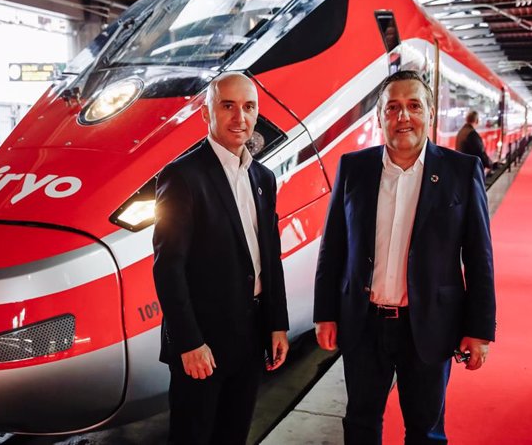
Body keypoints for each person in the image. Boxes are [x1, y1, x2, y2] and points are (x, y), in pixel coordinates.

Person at [313, 70, 496, 444]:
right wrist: (325, 313)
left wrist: (478, 330)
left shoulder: (461, 171)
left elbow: (479, 257)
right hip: (364, 324)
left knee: (426, 430)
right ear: (379, 117)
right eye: (392, 107)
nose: (403, 117)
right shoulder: (354, 168)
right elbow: (332, 247)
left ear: (430, 113)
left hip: (429, 324)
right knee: (361, 422)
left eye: (414, 106)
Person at [152, 72, 290, 445]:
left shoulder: (263, 177)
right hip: (203, 344)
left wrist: (278, 323)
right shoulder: (182, 176)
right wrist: (188, 342)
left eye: (248, 107)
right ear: (207, 113)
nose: (239, 117)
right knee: (193, 437)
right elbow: (168, 267)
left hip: (250, 335)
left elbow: (270, 256)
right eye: (227, 106)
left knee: (233, 435)